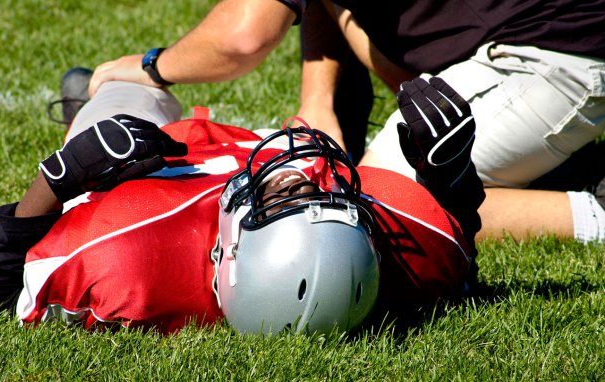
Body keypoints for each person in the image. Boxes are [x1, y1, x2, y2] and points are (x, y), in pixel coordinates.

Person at [0, 76, 484, 334]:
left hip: (160, 157)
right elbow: (454, 251)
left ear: (229, 258)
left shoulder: (124, 257)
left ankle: (97, 89)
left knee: (127, 95)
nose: (306, 181)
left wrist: (61, 174)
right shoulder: (376, 250)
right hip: (255, 145)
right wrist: (453, 173)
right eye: (319, 196)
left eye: (283, 199)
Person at [86, 0, 605, 244]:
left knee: (380, 202)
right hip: (532, 44)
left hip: (552, 53)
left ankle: (595, 211)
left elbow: (241, 37)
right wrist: (319, 102)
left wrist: (152, 65)